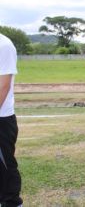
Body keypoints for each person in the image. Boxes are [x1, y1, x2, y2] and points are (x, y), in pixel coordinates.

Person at [0, 33, 23, 207]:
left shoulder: (4, 45)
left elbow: (3, 86)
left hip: (2, 119)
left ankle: (12, 203)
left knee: (5, 168)